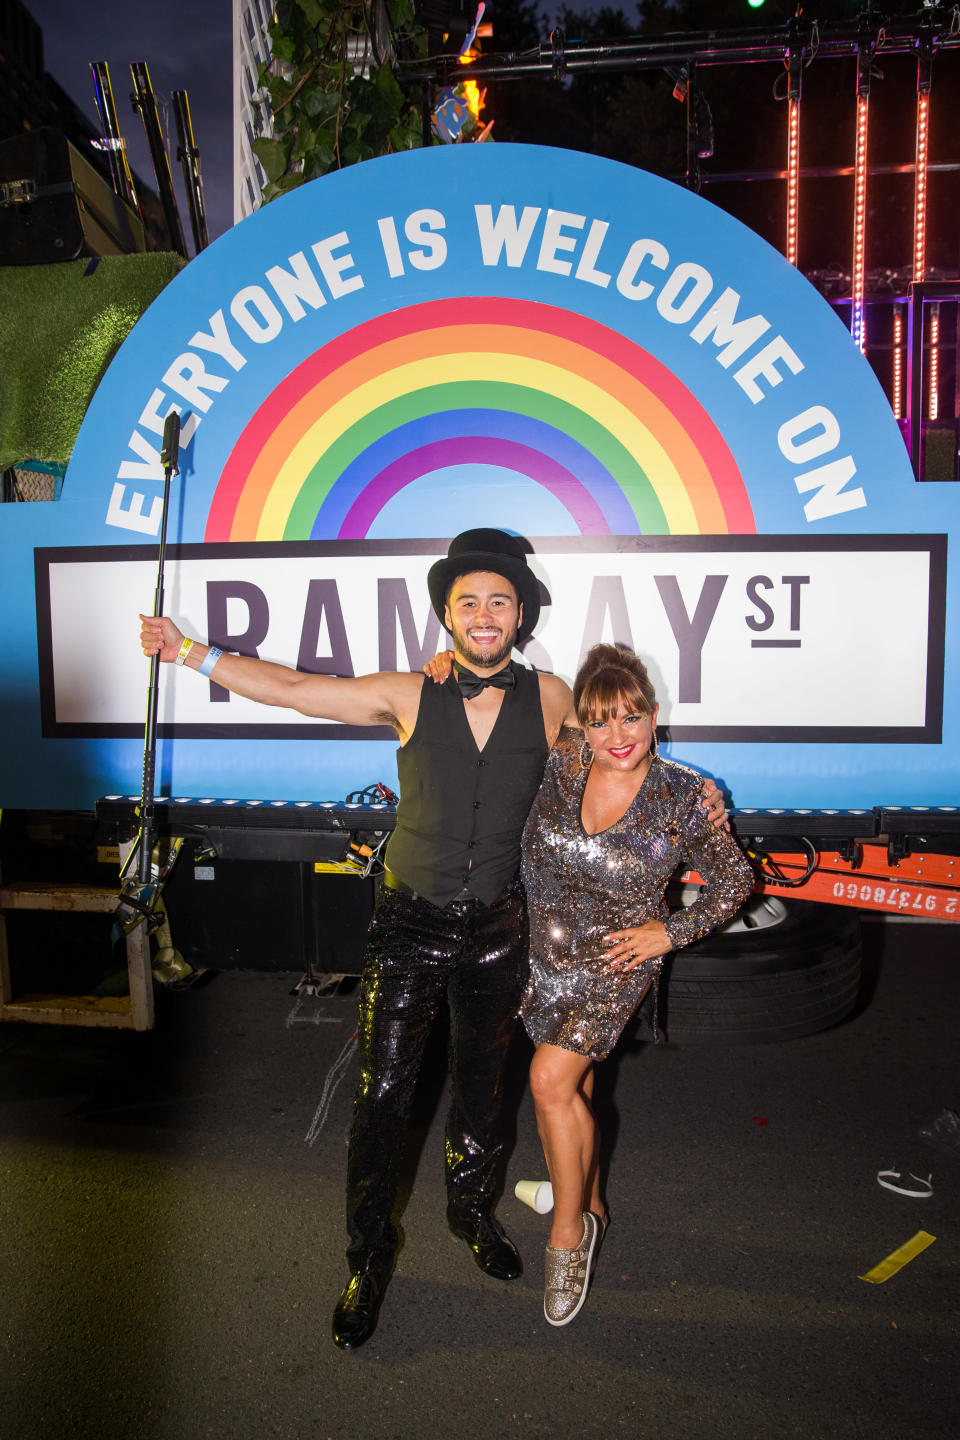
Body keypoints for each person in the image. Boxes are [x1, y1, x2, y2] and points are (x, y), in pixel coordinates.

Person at [139, 529, 726, 1351]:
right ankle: (368, 1261)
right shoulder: (410, 691)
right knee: (383, 1098)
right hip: (409, 924)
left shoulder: (552, 695)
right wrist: (189, 653)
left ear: (521, 614)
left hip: (499, 930)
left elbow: (611, 750)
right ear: (447, 617)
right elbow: (294, 687)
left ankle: (470, 1212)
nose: (484, 615)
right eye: (468, 602)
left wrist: (693, 800)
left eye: (499, 601)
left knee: (486, 1097)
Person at [520, 643, 754, 1327]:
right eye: (599, 722)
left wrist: (669, 933)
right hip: (543, 957)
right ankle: (586, 1197)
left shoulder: (684, 795)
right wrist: (443, 664)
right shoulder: (561, 768)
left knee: (548, 1082)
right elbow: (509, 702)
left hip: (616, 963)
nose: (616, 736)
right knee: (579, 1087)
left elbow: (736, 882)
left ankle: (570, 1236)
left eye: (630, 718)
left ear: (654, 717)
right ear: (581, 728)